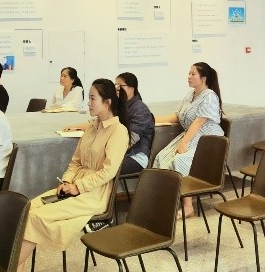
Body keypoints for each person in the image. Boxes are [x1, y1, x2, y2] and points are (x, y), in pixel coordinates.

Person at [9, 79, 130, 272]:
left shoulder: (118, 131)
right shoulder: (91, 127)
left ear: (108, 102)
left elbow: (108, 172)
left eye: (92, 98)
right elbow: (75, 162)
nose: (88, 103)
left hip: (95, 194)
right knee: (27, 208)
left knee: (36, 217)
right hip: (75, 186)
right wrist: (66, 181)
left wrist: (78, 187)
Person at [154, 62, 225, 215]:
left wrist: (184, 143)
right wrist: (153, 119)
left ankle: (188, 206)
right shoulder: (189, 95)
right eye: (189, 73)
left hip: (208, 139)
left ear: (203, 78)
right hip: (191, 134)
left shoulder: (209, 96)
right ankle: (168, 201)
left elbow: (199, 122)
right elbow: (177, 116)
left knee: (180, 160)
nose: (189, 76)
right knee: (161, 157)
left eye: (193, 74)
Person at [62, 72, 153, 175]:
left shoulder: (140, 110)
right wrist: (76, 127)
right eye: (115, 85)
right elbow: (99, 123)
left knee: (98, 165)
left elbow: (129, 141)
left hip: (135, 156)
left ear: (131, 89)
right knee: (89, 162)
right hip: (118, 152)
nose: (116, 89)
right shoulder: (119, 106)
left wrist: (102, 151)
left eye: (120, 86)